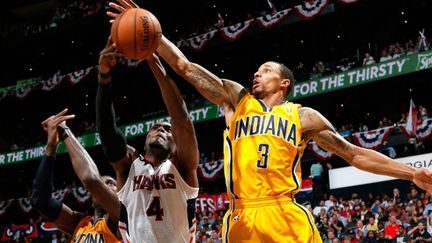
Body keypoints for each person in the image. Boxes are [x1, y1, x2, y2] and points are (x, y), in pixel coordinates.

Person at [108, 1, 432, 242]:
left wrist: (411, 172)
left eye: (265, 70)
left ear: (284, 83)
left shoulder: (304, 117)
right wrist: (155, 37)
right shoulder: (236, 100)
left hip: (284, 213)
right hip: (242, 215)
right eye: (257, 70)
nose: (257, 74)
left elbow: (354, 154)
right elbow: (185, 67)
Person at [96, 37, 199, 242]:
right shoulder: (129, 165)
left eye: (168, 130)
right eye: (155, 128)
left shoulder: (182, 165)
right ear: (143, 143)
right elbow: (108, 132)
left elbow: (181, 118)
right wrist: (104, 76)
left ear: (176, 142)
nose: (161, 130)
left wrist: (152, 59)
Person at [31, 109, 121, 242]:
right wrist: (50, 147)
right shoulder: (79, 223)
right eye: (103, 183)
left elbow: (92, 179)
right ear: (92, 199)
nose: (105, 186)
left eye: (111, 183)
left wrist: (64, 130)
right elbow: (40, 201)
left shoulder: (124, 219)